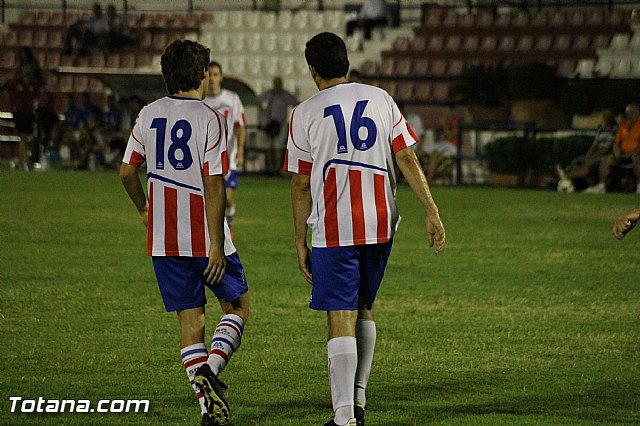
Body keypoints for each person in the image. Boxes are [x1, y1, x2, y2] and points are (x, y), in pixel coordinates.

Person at [284, 32, 445, 426]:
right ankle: (357, 399)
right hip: (380, 222)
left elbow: (301, 182)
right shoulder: (381, 99)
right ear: (347, 63)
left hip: (336, 225)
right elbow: (406, 155)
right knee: (365, 307)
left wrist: (299, 240)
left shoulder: (305, 112)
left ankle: (343, 418)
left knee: (340, 314)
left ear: (312, 69)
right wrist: (431, 210)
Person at [119, 39, 249, 426]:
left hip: (164, 237)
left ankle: (208, 410)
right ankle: (211, 370)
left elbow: (127, 172)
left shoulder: (147, 114)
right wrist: (214, 242)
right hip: (201, 234)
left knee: (191, 324)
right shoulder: (210, 118)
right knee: (238, 307)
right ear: (201, 76)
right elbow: (213, 184)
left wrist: (144, 208)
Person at [203, 61, 246, 229]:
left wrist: (241, 150)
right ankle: (216, 227)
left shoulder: (231, 98)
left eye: (215, 75)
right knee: (210, 193)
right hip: (207, 153)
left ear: (221, 77)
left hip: (227, 154)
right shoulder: (201, 99)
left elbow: (240, 125)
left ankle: (229, 213)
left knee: (227, 197)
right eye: (209, 75)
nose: (212, 78)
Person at [2, 47, 43, 170]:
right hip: (19, 112)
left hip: (29, 112)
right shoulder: (16, 82)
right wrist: (14, 103)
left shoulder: (32, 83)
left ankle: (21, 161)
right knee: (23, 137)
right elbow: (6, 94)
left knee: (25, 138)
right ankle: (25, 161)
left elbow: (37, 95)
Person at [556, 110, 617, 192]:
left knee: (589, 164)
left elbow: (606, 148)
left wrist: (592, 157)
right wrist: (588, 155)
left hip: (605, 156)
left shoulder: (615, 129)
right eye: (605, 116)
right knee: (577, 161)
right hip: (595, 154)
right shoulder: (602, 128)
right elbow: (594, 145)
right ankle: (569, 180)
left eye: (608, 116)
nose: (606, 118)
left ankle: (566, 176)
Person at [587, 104, 640, 194]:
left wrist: (631, 154)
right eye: (628, 113)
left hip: (636, 153)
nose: (630, 115)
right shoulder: (623, 126)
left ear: (637, 113)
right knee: (606, 160)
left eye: (632, 113)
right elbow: (616, 143)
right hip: (622, 154)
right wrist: (617, 153)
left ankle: (639, 185)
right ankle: (602, 186)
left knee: (636, 159)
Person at [258, 76, 297, 174]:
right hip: (269, 122)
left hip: (280, 123)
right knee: (268, 146)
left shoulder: (285, 95)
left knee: (277, 146)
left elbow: (295, 102)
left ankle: (277, 168)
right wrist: (263, 111)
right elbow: (258, 99)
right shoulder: (270, 94)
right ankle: (270, 167)